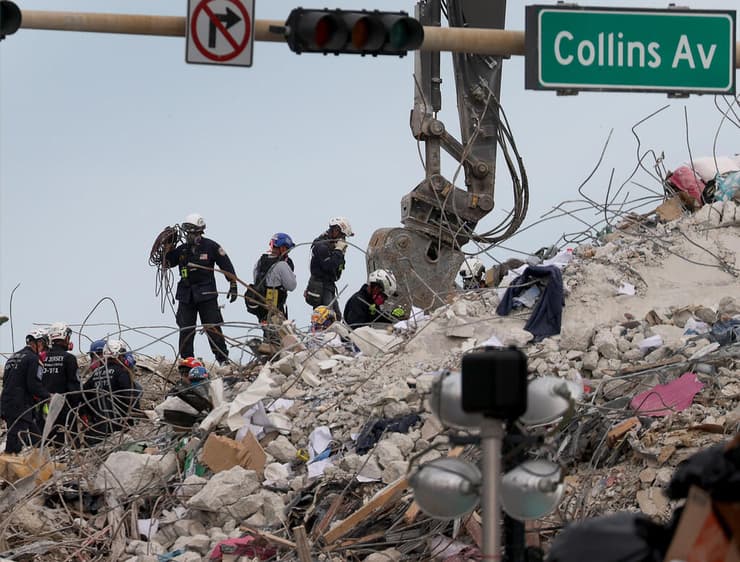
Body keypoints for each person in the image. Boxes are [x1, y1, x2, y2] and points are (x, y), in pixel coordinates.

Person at [163, 213, 238, 365]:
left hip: (207, 295)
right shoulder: (182, 250)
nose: (191, 236)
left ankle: (223, 360)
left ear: (200, 232)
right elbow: (168, 263)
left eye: (194, 232)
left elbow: (225, 264)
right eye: (189, 233)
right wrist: (167, 247)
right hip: (186, 296)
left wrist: (233, 283)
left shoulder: (211, 247)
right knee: (186, 330)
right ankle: (187, 362)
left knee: (213, 327)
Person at [0, 329, 51, 453]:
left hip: (7, 403)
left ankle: (43, 462)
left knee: (37, 439)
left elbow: (6, 381)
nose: (43, 349)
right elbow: (33, 384)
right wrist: (48, 396)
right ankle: (8, 467)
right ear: (39, 342)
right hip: (21, 406)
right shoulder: (34, 359)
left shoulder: (13, 357)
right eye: (43, 345)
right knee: (15, 441)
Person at [247, 232, 297, 354]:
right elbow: (292, 286)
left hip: (260, 306)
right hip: (275, 308)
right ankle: (270, 354)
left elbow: (255, 278)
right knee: (281, 337)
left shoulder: (260, 261)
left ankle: (266, 355)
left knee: (268, 332)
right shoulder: (281, 265)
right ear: (283, 248)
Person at [81, 339, 138, 443]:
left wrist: (90, 417)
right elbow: (130, 399)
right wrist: (131, 420)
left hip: (97, 429)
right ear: (119, 354)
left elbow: (83, 397)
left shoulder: (95, 375)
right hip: (118, 429)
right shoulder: (122, 373)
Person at [305, 217, 353, 320]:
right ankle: (322, 335)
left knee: (337, 316)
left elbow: (337, 269)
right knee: (327, 317)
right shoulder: (321, 246)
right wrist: (338, 251)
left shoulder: (331, 246)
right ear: (336, 231)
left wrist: (339, 252)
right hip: (321, 286)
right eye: (342, 236)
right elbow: (330, 266)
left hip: (329, 286)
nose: (343, 239)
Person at [41, 322, 81, 446]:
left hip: (43, 407)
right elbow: (74, 386)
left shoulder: (41, 357)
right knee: (69, 444)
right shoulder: (69, 359)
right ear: (65, 337)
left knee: (46, 442)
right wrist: (79, 407)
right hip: (64, 408)